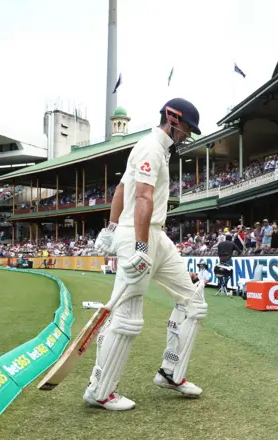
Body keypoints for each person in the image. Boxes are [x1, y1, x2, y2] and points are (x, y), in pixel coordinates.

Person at [85, 98, 206, 411]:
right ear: (172, 117)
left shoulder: (158, 150)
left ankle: (170, 372)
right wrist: (136, 244)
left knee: (193, 300)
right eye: (186, 128)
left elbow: (120, 191)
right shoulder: (151, 147)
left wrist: (111, 228)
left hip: (155, 234)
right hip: (140, 234)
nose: (187, 135)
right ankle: (100, 391)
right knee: (126, 317)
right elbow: (140, 197)